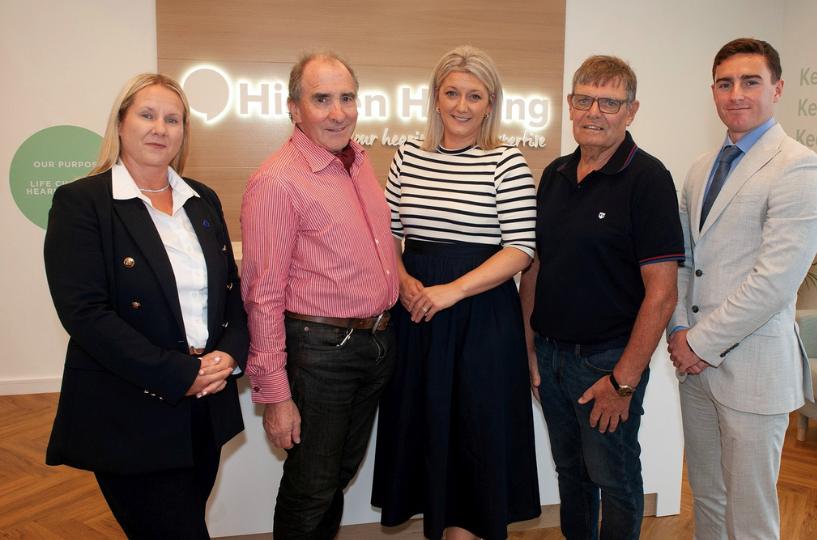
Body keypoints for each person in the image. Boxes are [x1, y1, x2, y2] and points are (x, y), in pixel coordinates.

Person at [43, 73, 248, 540]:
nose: (160, 128)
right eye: (147, 115)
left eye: (172, 119)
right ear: (120, 124)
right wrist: (180, 373)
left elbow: (232, 293)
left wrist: (231, 353)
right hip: (131, 414)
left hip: (205, 407)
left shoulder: (202, 200)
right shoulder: (82, 202)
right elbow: (85, 314)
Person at [371, 45, 541, 540]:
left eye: (474, 95)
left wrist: (453, 291)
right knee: (424, 431)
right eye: (452, 93)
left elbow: (520, 250)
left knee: (475, 437)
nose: (461, 106)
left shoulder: (506, 163)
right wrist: (403, 281)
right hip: (418, 316)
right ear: (436, 98)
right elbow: (388, 234)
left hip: (481, 321)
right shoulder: (407, 157)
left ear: (490, 104)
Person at [666, 38, 817, 539]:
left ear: (777, 89)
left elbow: (774, 283)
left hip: (752, 370)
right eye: (725, 83)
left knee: (751, 515)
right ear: (713, 92)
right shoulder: (701, 167)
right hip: (694, 368)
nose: (736, 93)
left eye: (750, 81)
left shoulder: (801, 167)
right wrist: (678, 329)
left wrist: (697, 342)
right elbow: (685, 260)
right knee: (709, 497)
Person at [519, 55, 684, 540]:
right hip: (549, 357)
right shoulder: (554, 173)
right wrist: (528, 347)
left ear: (631, 111)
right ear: (570, 105)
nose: (595, 111)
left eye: (610, 102)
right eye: (585, 99)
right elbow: (536, 268)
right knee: (570, 474)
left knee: (614, 478)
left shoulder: (649, 180)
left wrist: (624, 381)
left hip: (607, 364)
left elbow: (663, 295)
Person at [240, 51, 398, 540]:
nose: (338, 112)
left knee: (333, 480)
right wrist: (275, 394)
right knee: (311, 488)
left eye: (347, 97)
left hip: (374, 346)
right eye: (321, 99)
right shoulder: (276, 180)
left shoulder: (358, 163)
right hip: (319, 354)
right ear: (294, 108)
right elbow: (261, 295)